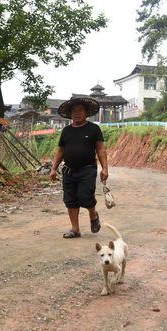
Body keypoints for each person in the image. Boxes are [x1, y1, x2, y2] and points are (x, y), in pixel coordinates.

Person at [50, 97, 108, 238]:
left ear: (86, 112)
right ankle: (75, 229)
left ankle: (93, 216)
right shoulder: (66, 131)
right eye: (74, 111)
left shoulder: (94, 129)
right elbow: (60, 151)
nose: (77, 113)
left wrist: (105, 168)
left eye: (80, 110)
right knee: (70, 200)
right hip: (68, 170)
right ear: (70, 114)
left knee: (85, 196)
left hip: (87, 169)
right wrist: (53, 168)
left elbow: (100, 150)